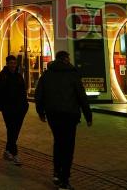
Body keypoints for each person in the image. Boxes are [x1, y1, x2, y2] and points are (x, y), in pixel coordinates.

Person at [35, 50, 92, 190]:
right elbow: (81, 96)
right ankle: (64, 180)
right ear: (66, 59)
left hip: (53, 114)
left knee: (58, 142)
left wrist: (40, 112)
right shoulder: (73, 74)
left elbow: (39, 94)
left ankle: (56, 172)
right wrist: (88, 115)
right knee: (68, 146)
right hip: (70, 114)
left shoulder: (47, 74)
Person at [0, 55, 28, 166]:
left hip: (20, 108)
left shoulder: (19, 76)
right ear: (7, 64)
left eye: (14, 63)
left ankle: (7, 151)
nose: (13, 65)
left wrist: (25, 106)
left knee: (14, 131)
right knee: (11, 129)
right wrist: (1, 106)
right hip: (8, 109)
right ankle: (14, 154)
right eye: (11, 63)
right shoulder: (2, 76)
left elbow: (23, 91)